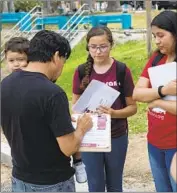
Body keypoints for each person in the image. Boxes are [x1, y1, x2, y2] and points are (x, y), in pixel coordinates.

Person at [1, 30, 93, 192]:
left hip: (19, 178)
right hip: (51, 182)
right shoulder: (53, 93)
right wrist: (81, 128)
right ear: (57, 56)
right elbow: (69, 147)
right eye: (63, 61)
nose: (61, 68)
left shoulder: (5, 84)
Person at [72, 26, 137, 192]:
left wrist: (114, 113)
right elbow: (76, 108)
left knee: (115, 185)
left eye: (103, 46)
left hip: (116, 136)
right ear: (88, 47)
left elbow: (132, 108)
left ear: (111, 45)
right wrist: (84, 114)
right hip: (90, 136)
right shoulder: (81, 71)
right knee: (95, 185)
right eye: (93, 47)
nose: (98, 51)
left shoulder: (122, 70)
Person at [133, 11, 177, 192]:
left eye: (161, 35)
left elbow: (146, 95)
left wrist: (156, 102)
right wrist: (163, 91)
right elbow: (136, 93)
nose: (157, 41)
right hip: (154, 141)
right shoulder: (156, 59)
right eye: (154, 36)